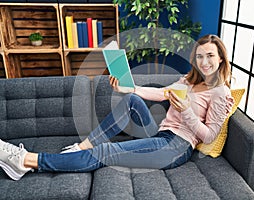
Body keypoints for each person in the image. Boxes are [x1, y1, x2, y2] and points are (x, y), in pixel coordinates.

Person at [0, 34, 234, 181]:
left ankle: (26, 161)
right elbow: (161, 93)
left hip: (177, 147)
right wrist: (129, 89)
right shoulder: (188, 79)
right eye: (200, 56)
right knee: (133, 101)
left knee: (106, 153)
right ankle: (80, 146)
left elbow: (210, 135)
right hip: (162, 133)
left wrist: (186, 111)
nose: (204, 62)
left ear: (221, 58)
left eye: (210, 56)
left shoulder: (220, 93)